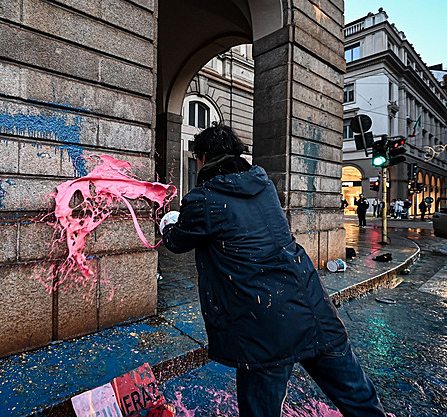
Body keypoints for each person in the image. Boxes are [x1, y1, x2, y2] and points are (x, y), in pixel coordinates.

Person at [160, 123, 386, 417]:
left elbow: (177, 242)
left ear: (202, 157)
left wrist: (168, 222)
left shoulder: (203, 199)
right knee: (359, 399)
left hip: (262, 327)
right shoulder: (263, 185)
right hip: (314, 310)